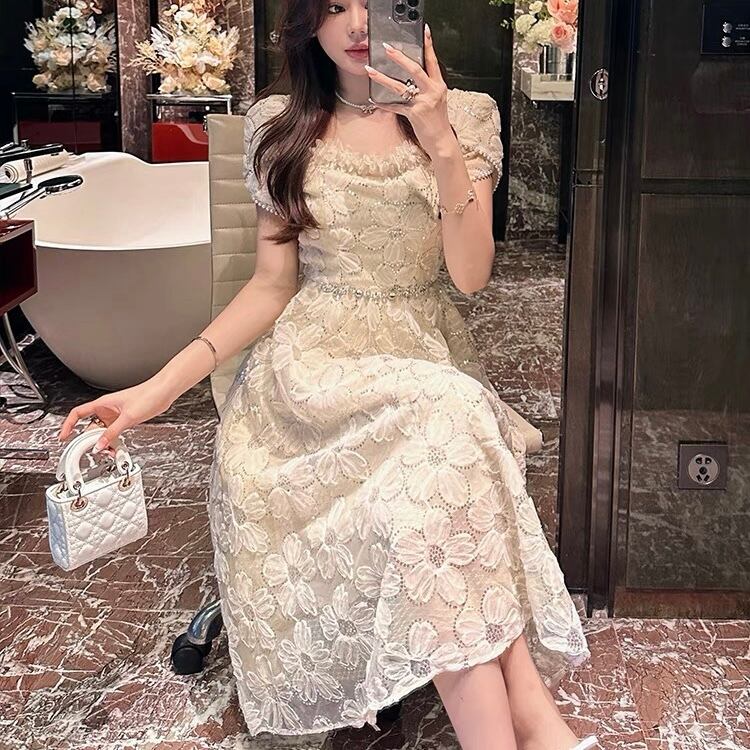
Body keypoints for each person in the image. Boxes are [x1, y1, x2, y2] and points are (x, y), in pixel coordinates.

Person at [58, 1, 597, 748]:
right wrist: (157, 390)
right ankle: (535, 727)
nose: (357, 23)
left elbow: (471, 277)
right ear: (308, 22)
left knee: (439, 455)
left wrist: (440, 142)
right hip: (313, 375)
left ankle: (526, 730)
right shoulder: (282, 125)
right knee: (451, 427)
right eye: (335, 5)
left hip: (421, 355)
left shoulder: (466, 117)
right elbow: (270, 286)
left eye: (374, 3)